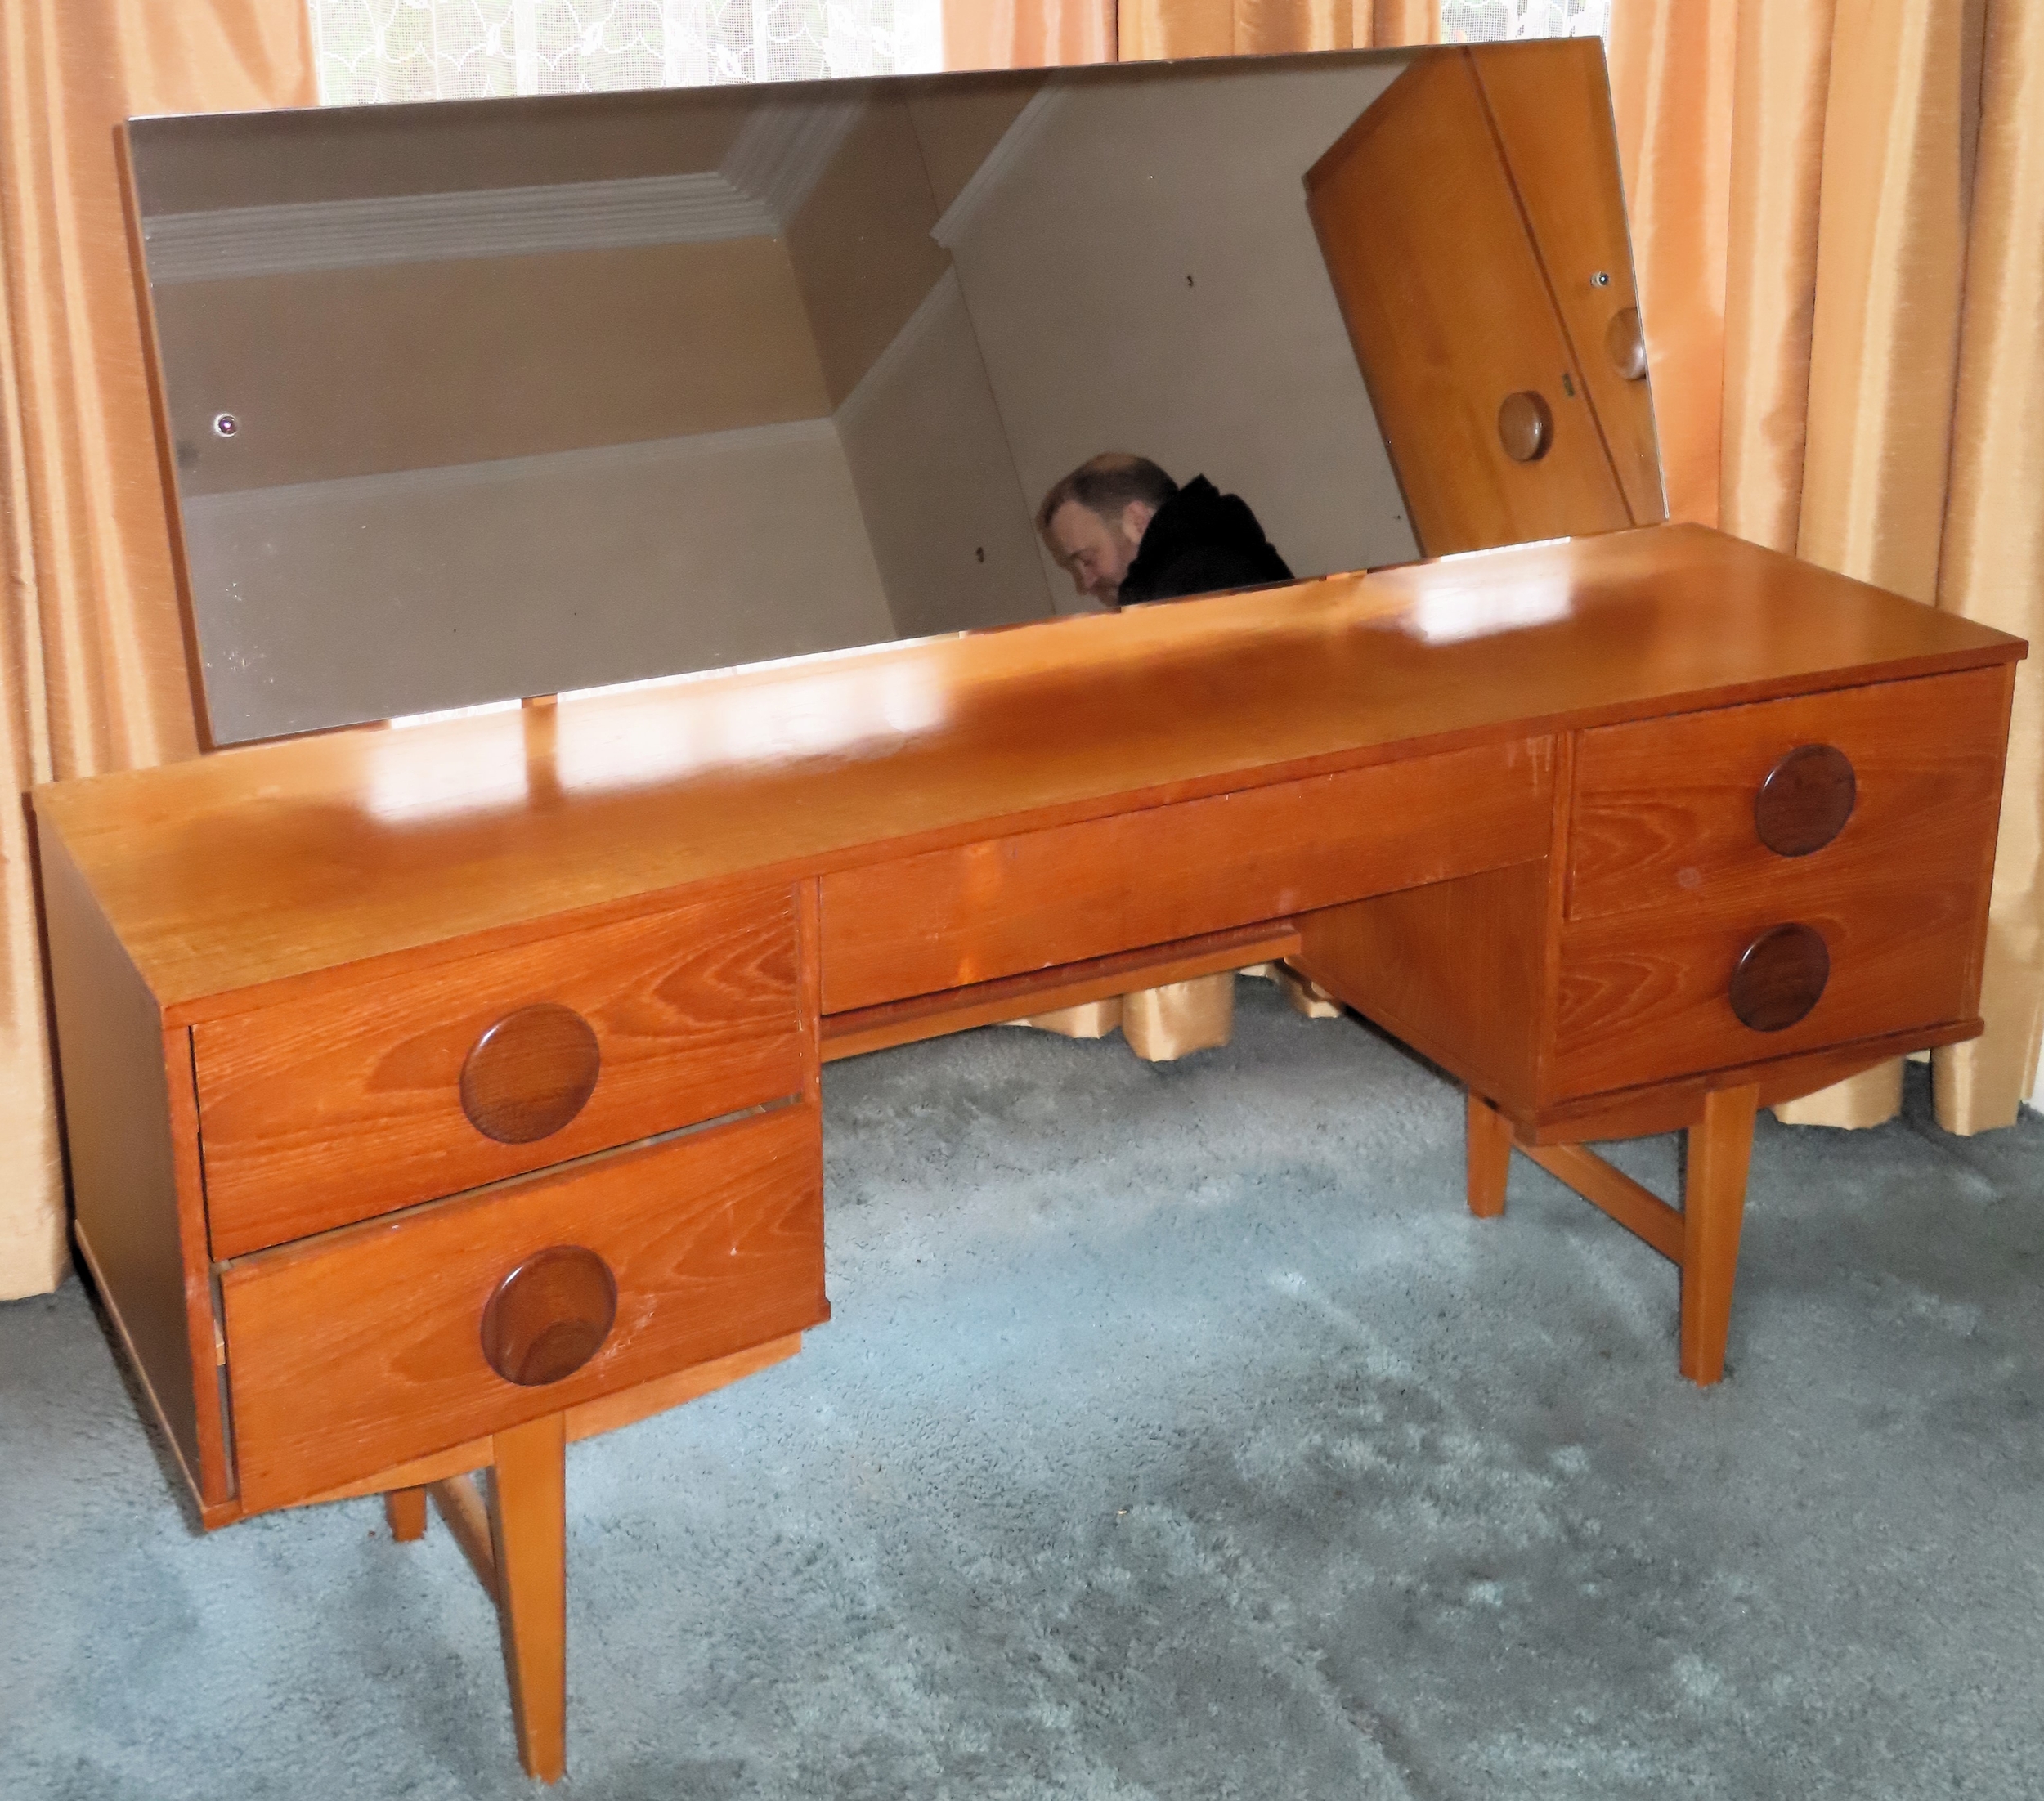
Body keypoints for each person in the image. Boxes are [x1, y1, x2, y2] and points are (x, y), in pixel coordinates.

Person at [1035, 453, 1292, 611]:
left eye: (1087, 559)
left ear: (1137, 521)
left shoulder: (1200, 579)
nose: (1085, 583)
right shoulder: (1214, 559)